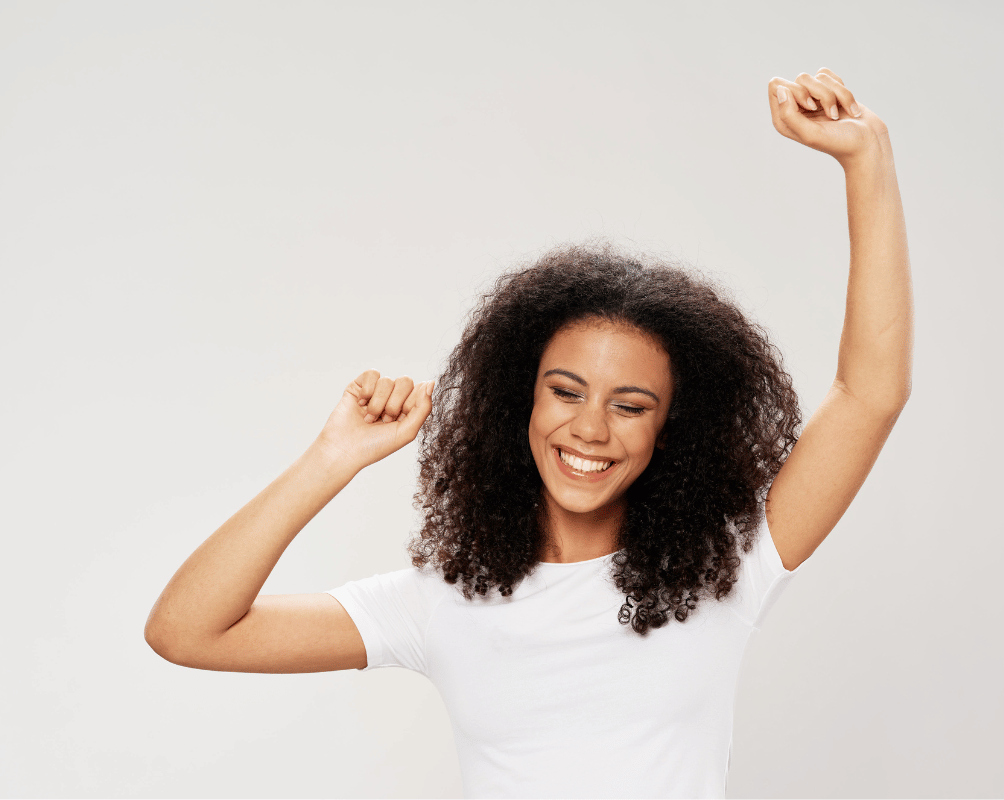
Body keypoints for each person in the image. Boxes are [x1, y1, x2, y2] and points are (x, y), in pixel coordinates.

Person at [144, 67, 913, 799]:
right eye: (566, 391)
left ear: (671, 430)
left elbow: (869, 392)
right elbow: (187, 632)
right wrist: (332, 458)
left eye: (631, 405)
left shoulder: (730, 567)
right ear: (522, 401)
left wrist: (866, 159)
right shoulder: (441, 601)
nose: (589, 429)